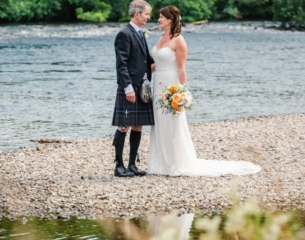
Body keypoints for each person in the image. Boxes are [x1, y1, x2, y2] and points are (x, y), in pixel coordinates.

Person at [148, 6, 261, 176]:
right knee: (160, 124)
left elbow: (181, 68)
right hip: (157, 85)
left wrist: (182, 94)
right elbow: (158, 64)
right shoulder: (161, 37)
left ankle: (176, 163)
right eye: (158, 17)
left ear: (170, 19)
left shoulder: (179, 40)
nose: (158, 20)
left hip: (171, 86)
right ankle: (161, 163)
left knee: (173, 123)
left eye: (161, 17)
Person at [112, 0, 154, 178]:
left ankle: (132, 164)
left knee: (137, 125)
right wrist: (128, 87)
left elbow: (148, 61)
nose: (148, 17)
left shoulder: (140, 34)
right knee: (124, 125)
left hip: (141, 86)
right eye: (146, 14)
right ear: (137, 14)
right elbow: (121, 64)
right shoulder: (124, 34)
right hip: (130, 87)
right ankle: (119, 166)